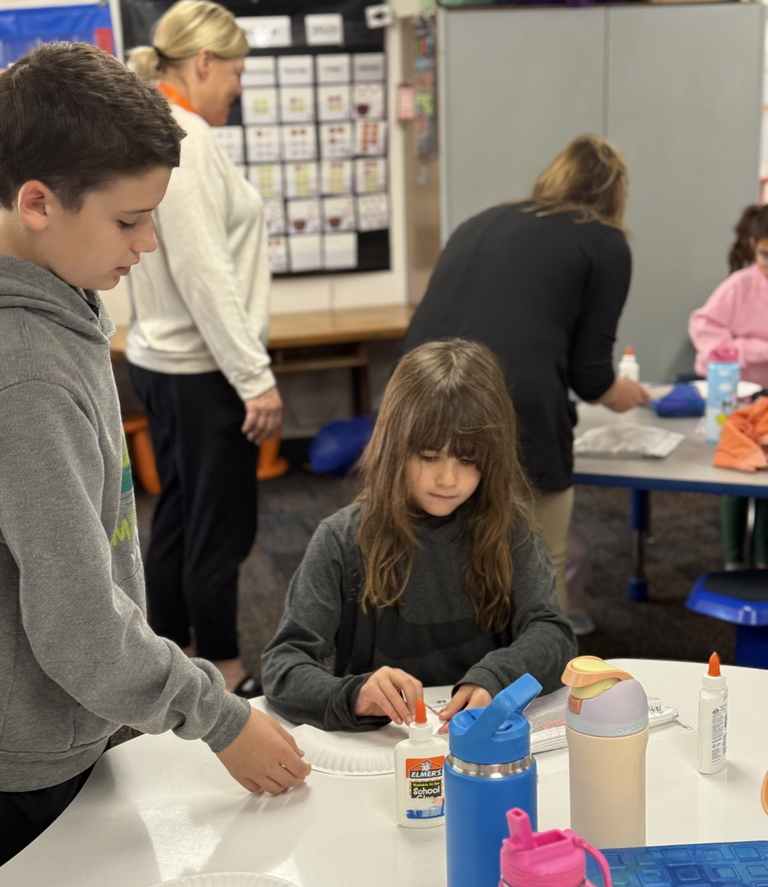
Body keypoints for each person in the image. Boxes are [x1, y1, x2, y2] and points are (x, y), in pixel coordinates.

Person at [0, 42, 309, 867]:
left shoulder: (58, 303)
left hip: (65, 719)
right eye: (130, 220)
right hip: (28, 764)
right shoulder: (24, 374)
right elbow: (73, 624)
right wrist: (220, 715)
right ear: (37, 201)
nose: (148, 244)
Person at [262, 340, 577, 733]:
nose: (447, 479)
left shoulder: (508, 527)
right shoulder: (342, 540)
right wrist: (354, 694)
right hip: (382, 748)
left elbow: (553, 633)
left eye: (468, 459)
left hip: (481, 737)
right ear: (395, 447)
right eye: (428, 457)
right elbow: (283, 666)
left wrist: (497, 677)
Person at [400, 135, 649, 629]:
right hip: (515, 404)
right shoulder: (605, 242)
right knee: (542, 557)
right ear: (614, 196)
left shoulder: (483, 221)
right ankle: (546, 683)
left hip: (416, 394)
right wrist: (633, 395)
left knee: (431, 552)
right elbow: (592, 375)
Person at [128, 1, 280, 695]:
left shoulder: (158, 128)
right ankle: (223, 669)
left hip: (167, 362)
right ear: (204, 62)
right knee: (217, 528)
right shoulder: (181, 137)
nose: (239, 87)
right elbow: (203, 273)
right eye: (237, 71)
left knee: (183, 516)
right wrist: (255, 379)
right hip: (204, 369)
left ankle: (169, 657)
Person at [689, 203, 768, 570]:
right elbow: (704, 330)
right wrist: (754, 350)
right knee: (737, 475)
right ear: (753, 244)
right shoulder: (740, 286)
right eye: (767, 255)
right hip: (738, 397)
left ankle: (764, 563)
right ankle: (735, 563)